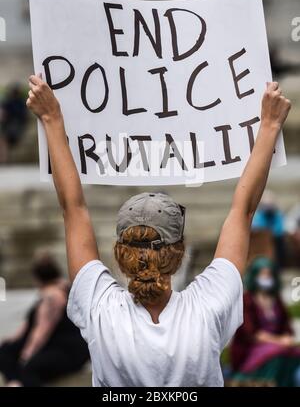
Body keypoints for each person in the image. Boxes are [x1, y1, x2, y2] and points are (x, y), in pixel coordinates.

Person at [26, 74, 290, 387]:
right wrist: (270, 125)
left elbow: (73, 208)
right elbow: (242, 210)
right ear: (179, 253)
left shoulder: (101, 310)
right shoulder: (208, 307)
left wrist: (51, 118)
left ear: (121, 254)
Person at [0, 252, 89, 387]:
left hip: (67, 349)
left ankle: (17, 382)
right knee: (6, 349)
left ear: (37, 278)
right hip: (72, 347)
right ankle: (15, 381)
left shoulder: (51, 296)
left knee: (29, 366)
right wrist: (13, 339)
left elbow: (42, 331)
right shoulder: (63, 286)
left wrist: (26, 356)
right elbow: (29, 325)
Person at [230, 257, 300, 386]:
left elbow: (287, 326)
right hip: (252, 349)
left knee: (294, 354)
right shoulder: (247, 300)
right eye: (263, 274)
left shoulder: (276, 300)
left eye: (269, 274)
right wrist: (279, 341)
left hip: (278, 345)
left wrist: (286, 338)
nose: (266, 278)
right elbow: (251, 333)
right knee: (276, 353)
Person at [252, 190, 286, 267]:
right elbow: (256, 227)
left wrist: (271, 233)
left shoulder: (278, 215)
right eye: (266, 205)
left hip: (276, 240)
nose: (268, 208)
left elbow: (279, 229)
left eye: (270, 205)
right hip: (262, 241)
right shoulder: (259, 215)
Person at [0, 83, 27, 163]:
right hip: (10, 125)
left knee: (8, 141)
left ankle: (6, 159)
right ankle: (5, 159)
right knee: (6, 141)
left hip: (15, 125)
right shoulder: (9, 101)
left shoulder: (20, 102)